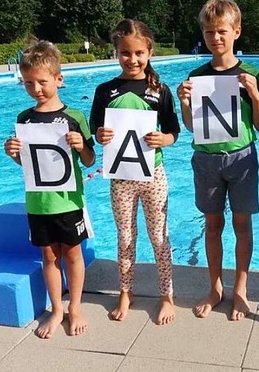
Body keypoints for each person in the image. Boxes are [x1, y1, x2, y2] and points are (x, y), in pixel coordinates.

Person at [177, 0, 259, 321]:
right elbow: (192, 127)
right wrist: (184, 103)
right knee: (213, 224)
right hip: (206, 160)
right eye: (208, 32)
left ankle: (241, 290)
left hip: (242, 159)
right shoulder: (196, 75)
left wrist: (256, 96)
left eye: (221, 31)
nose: (215, 38)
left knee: (242, 225)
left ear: (236, 31)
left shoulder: (252, 73)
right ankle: (215, 287)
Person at [89, 19, 181, 325]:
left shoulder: (160, 90)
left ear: (150, 52)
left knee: (158, 237)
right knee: (125, 237)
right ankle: (125, 292)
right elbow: (96, 129)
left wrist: (162, 139)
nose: (133, 59)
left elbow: (173, 132)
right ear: (116, 53)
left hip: (153, 176)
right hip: (121, 179)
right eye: (125, 53)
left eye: (139, 52)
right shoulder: (106, 91)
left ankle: (167, 296)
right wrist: (101, 135)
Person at [4, 41, 95, 339]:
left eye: (42, 81)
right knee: (49, 255)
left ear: (58, 79)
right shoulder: (24, 119)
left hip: (68, 200)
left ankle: (76, 307)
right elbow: (32, 166)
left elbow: (90, 158)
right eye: (28, 83)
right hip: (39, 202)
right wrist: (14, 153)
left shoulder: (75, 117)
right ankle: (57, 309)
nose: (36, 88)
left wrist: (81, 146)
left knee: (72, 254)